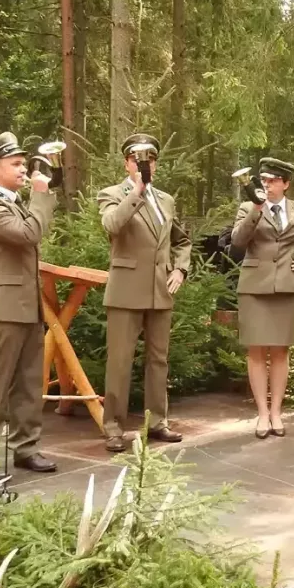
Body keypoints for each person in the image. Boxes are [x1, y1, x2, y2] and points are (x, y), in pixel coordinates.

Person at [0, 131, 58, 476]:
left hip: (26, 306)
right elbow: (27, 235)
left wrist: (38, 198)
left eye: (23, 164)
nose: (23, 169)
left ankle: (26, 447)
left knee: (29, 383)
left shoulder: (14, 203)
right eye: (16, 164)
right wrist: (41, 195)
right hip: (0, 307)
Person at [97, 135, 192, 453]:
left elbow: (181, 240)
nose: (145, 165)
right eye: (138, 160)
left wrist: (180, 269)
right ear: (127, 164)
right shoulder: (112, 194)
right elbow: (112, 225)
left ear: (156, 164)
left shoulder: (165, 200)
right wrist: (137, 192)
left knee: (158, 360)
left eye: (150, 160)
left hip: (159, 290)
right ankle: (113, 427)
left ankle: (157, 422)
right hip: (126, 289)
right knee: (120, 362)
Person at [228, 157, 294, 439]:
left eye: (273, 181)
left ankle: (276, 413)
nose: (267, 185)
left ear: (286, 184)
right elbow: (238, 241)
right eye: (264, 180)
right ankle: (262, 413)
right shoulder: (248, 207)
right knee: (256, 351)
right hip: (254, 287)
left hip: (285, 286)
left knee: (281, 351)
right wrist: (257, 210)